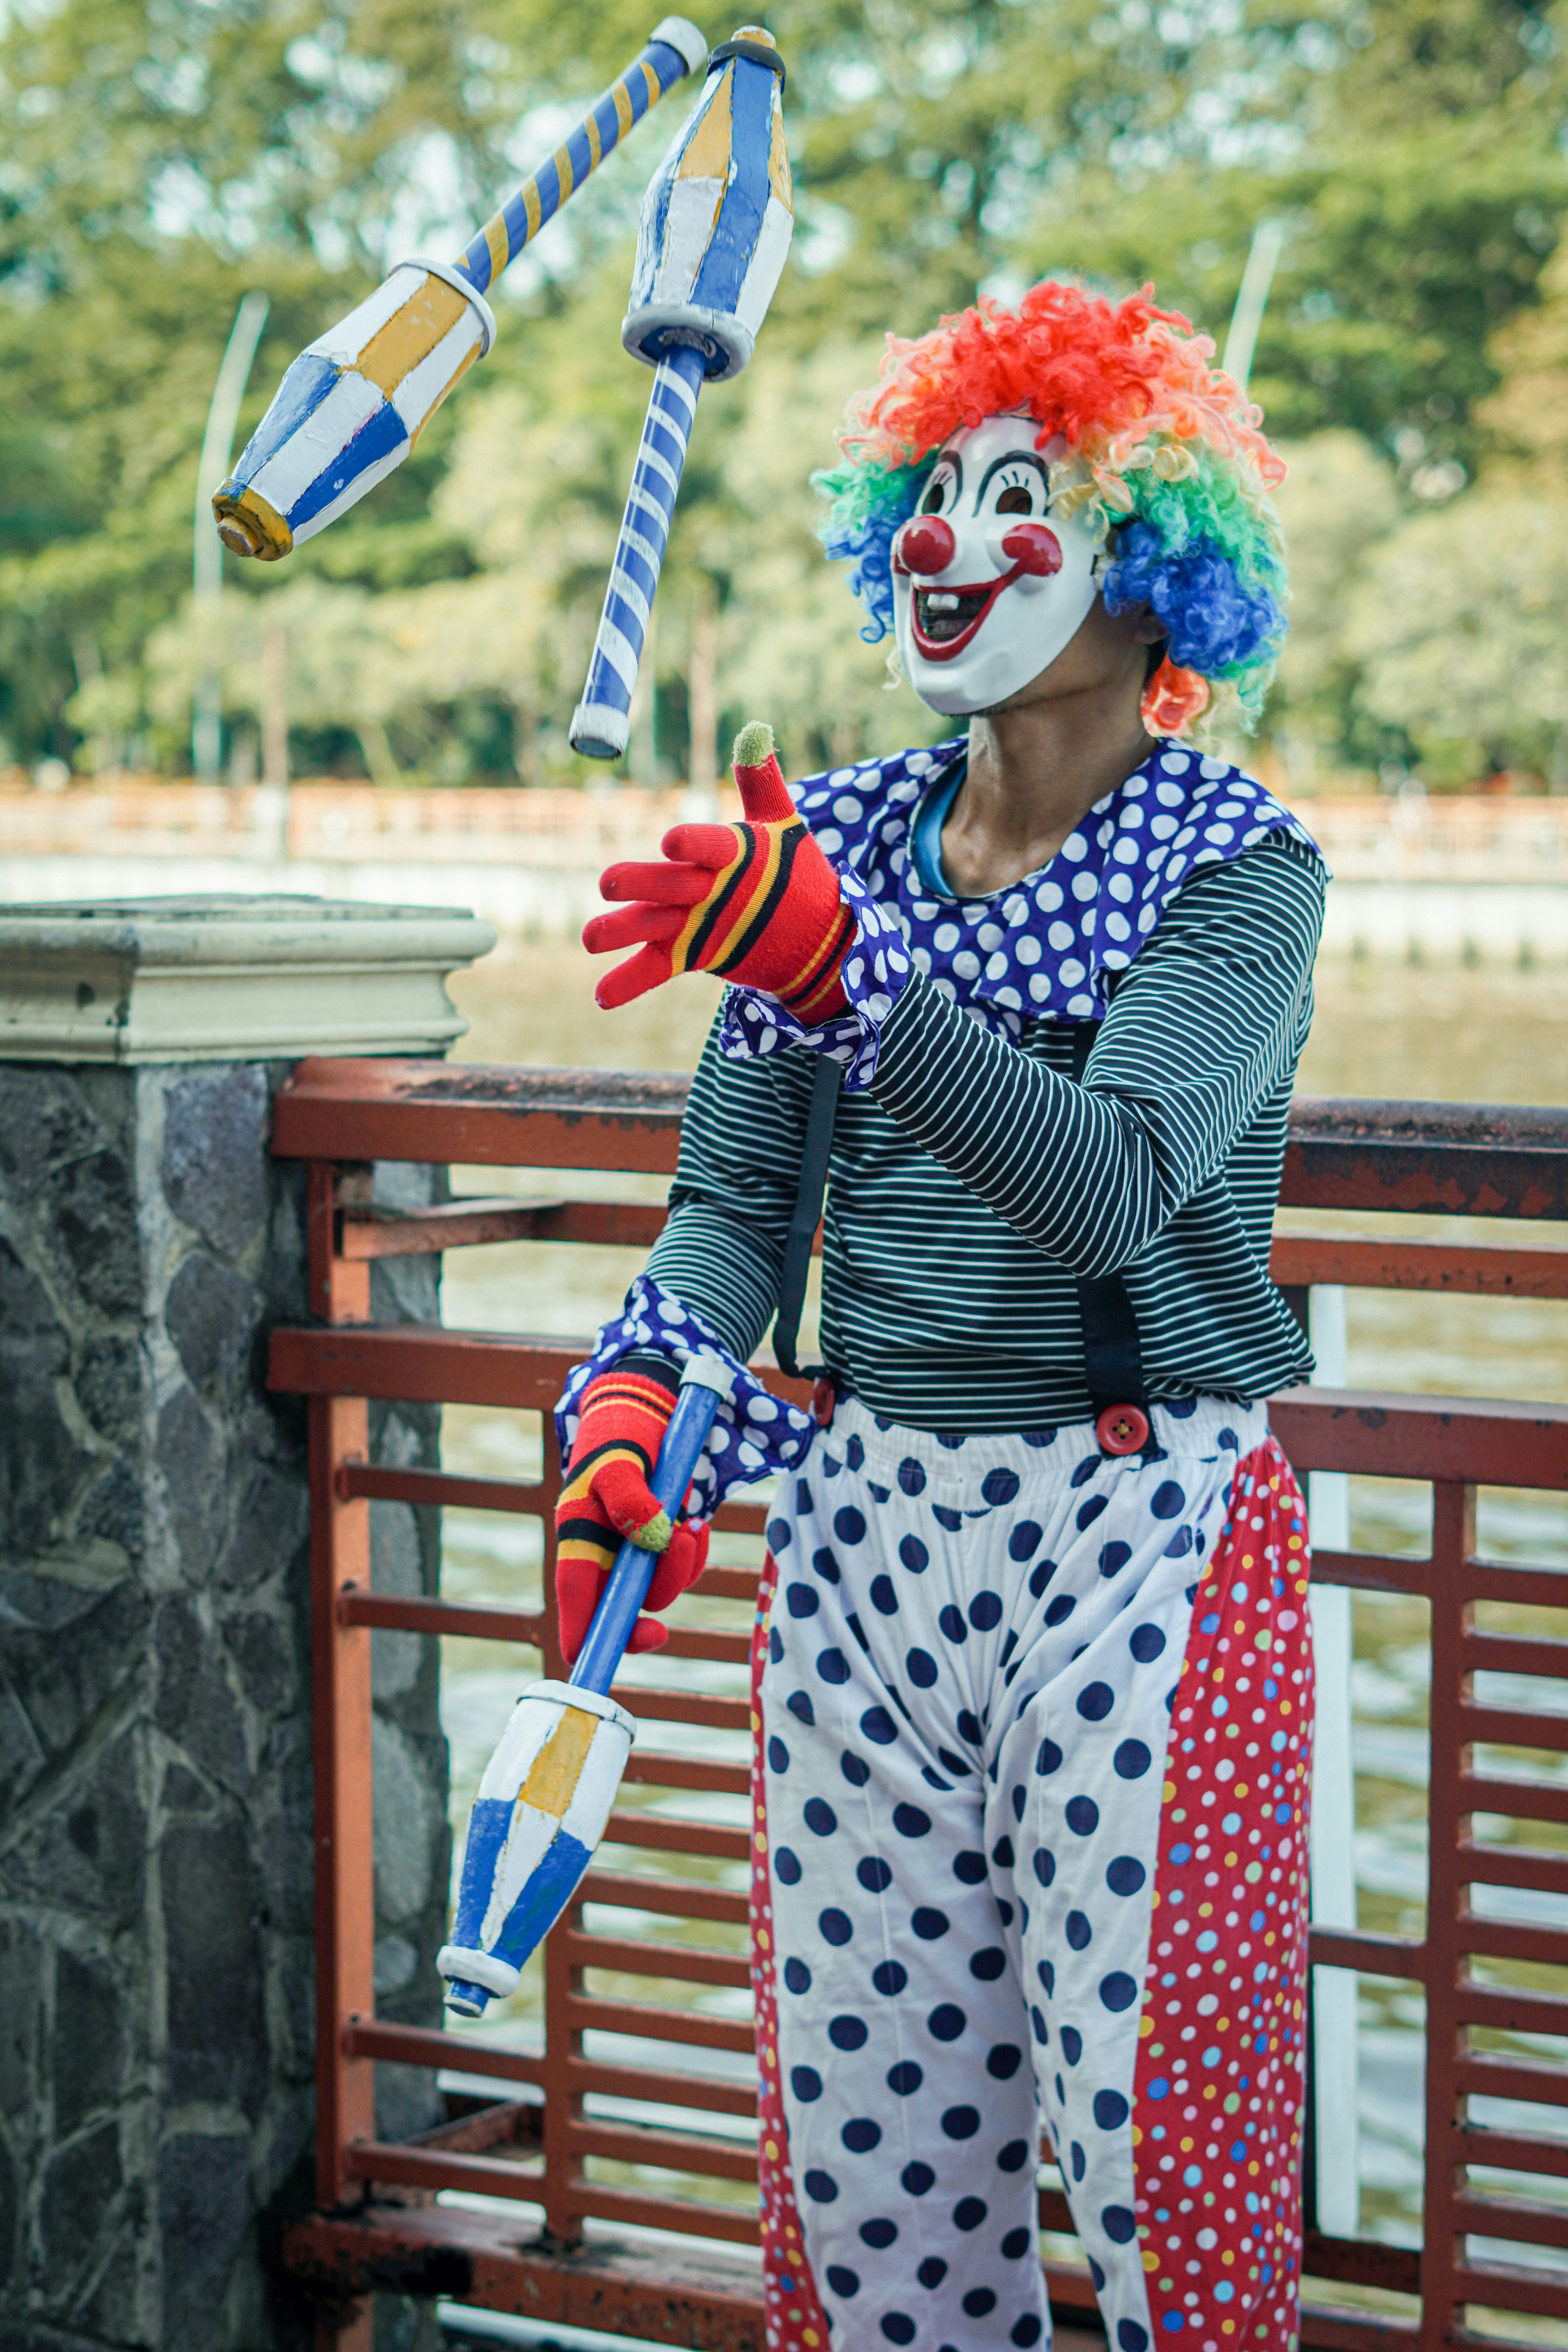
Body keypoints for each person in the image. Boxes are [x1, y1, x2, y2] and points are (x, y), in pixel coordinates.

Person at [556, 280, 1324, 2352]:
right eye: (940, 491)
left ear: (1157, 575)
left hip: (1145, 1551)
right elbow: (734, 1206)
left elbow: (1105, 1188)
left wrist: (848, 977)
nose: (949, 538)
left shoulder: (1243, 872)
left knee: (1171, 2182)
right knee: (869, 2191)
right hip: (864, 1538)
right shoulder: (846, 843)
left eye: (1026, 496)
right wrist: (642, 1403)